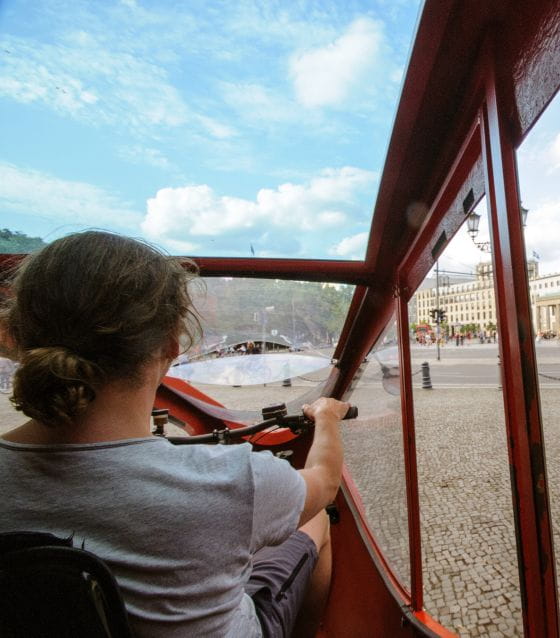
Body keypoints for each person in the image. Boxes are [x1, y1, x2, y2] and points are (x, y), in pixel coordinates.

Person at [0, 231, 348, 637]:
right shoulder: (231, 479)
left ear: (19, 336)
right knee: (317, 520)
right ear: (171, 343)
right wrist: (326, 416)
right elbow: (324, 483)